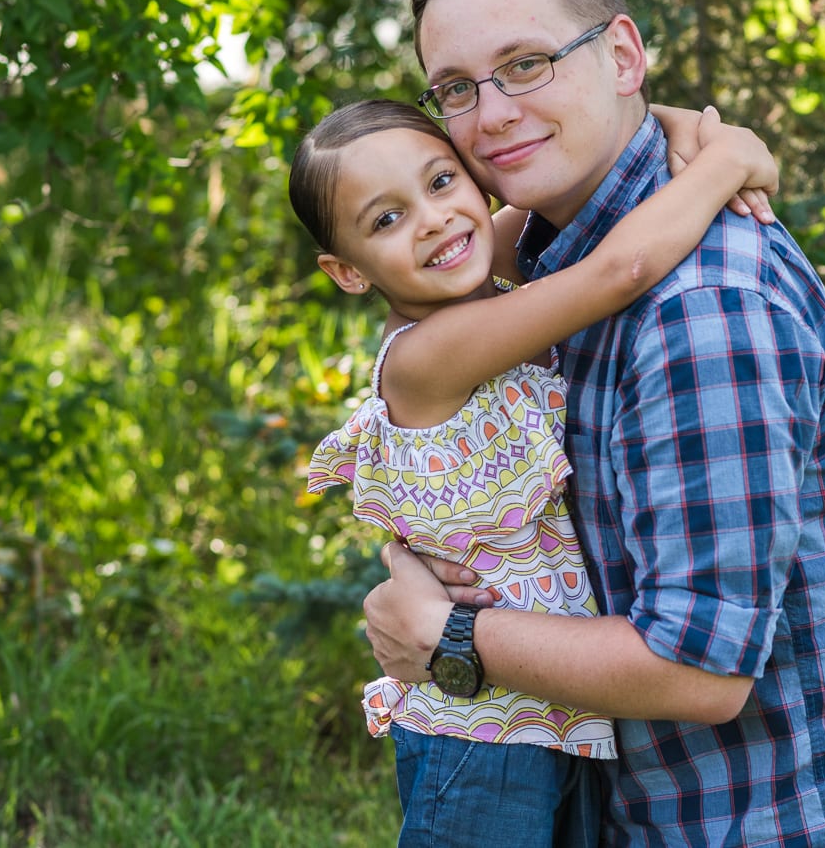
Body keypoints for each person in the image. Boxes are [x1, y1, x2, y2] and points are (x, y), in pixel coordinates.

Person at [362, 0, 825, 846]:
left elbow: (699, 674)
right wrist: (708, 138)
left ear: (623, 56)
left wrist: (449, 638)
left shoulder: (701, 313)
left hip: (782, 824)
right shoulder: (550, 255)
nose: (490, 115)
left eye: (526, 64)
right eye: (456, 89)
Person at [289, 97, 779, 848]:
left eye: (442, 182)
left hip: (556, 709)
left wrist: (684, 125)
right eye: (385, 220)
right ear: (347, 273)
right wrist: (728, 162)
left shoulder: (472, 253)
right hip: (481, 732)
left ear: (480, 183)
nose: (432, 220)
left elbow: (600, 188)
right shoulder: (428, 354)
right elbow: (622, 266)